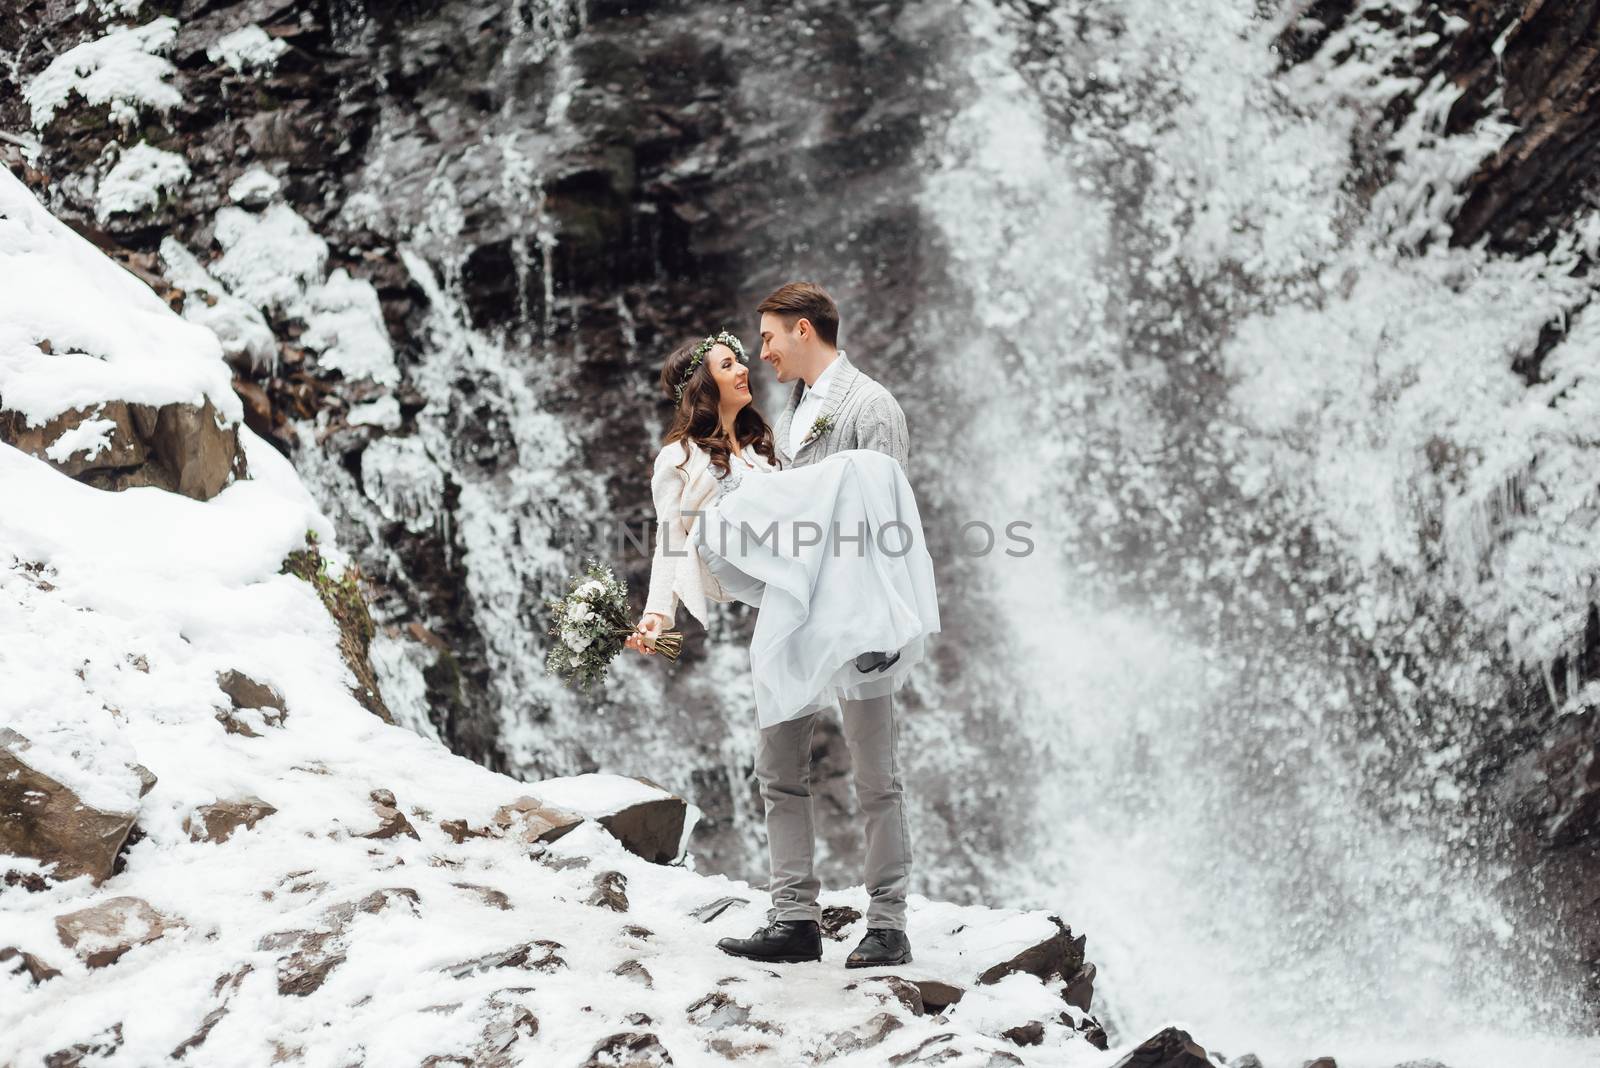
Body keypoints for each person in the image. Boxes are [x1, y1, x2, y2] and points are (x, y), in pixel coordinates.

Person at [628, 282, 938, 970]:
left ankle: (888, 924)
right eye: (737, 357)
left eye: (764, 340)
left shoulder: (865, 406)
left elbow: (886, 515)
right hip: (789, 617)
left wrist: (884, 621)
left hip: (858, 616)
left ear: (802, 330)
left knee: (876, 776)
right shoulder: (772, 425)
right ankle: (794, 917)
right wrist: (659, 610)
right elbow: (676, 540)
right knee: (779, 771)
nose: (755, 355)